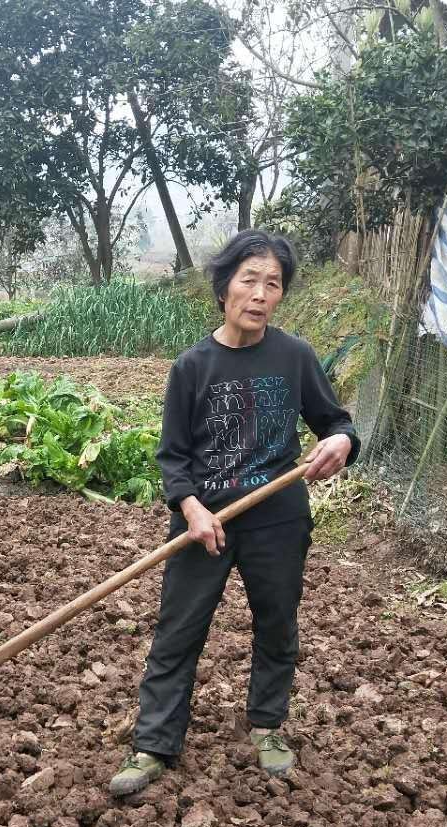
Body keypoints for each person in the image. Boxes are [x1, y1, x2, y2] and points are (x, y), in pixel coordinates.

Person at [109, 230, 359, 798]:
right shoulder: (193, 366)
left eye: (273, 284)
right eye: (250, 280)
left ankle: (268, 726)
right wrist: (192, 508)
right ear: (224, 288)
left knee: (276, 623)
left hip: (278, 517)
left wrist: (341, 443)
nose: (261, 294)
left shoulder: (294, 356)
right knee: (178, 630)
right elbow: (172, 457)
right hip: (205, 523)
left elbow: (336, 422)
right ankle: (153, 744)